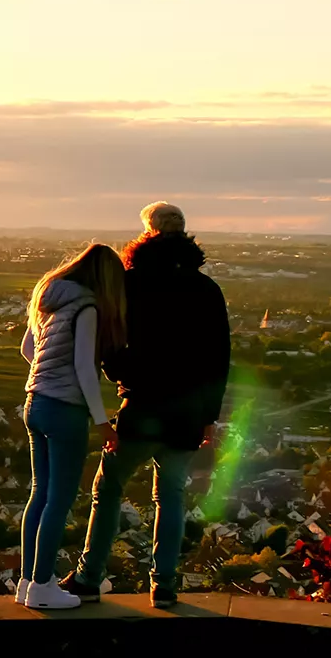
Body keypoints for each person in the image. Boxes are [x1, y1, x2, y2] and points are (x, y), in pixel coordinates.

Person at [63, 202, 230, 609]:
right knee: (171, 494)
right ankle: (165, 584)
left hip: (143, 406)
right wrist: (208, 416)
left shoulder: (131, 283)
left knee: (109, 487)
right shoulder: (206, 290)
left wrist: (124, 378)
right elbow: (218, 358)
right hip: (188, 414)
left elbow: (111, 340)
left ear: (147, 231)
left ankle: (89, 575)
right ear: (184, 233)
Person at [15, 243, 126, 610]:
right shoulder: (87, 307)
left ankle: (27, 582)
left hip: (35, 403)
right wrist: (103, 423)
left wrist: (45, 375)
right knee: (59, 501)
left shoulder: (48, 297)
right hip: (65, 411)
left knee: (40, 495)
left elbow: (27, 349)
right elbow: (84, 369)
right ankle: (43, 585)